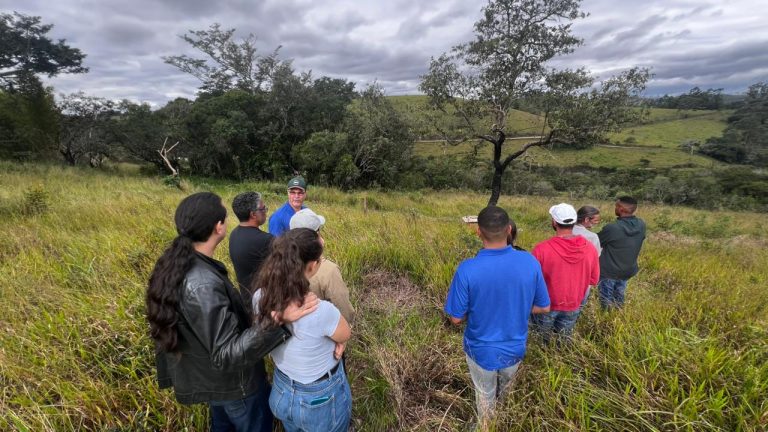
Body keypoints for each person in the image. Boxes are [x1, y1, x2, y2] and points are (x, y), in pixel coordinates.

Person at [145, 192, 318, 432]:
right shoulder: (202, 283)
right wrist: (277, 319)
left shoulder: (186, 264)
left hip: (217, 383)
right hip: (237, 388)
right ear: (218, 227)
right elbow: (226, 354)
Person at [444, 206, 550, 424]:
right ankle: (506, 420)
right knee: (508, 391)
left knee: (484, 393)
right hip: (515, 346)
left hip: (480, 349)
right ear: (509, 230)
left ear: (478, 232)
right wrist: (516, 306)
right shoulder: (530, 262)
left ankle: (486, 426)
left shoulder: (467, 269)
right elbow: (543, 307)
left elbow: (455, 318)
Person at [254, 228, 353, 432]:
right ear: (311, 266)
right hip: (320, 399)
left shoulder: (260, 297)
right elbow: (345, 333)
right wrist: (339, 340)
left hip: (281, 389)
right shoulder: (319, 310)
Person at [531, 203, 599, 342]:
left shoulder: (541, 249)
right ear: (574, 221)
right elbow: (594, 279)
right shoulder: (590, 248)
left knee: (541, 339)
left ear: (554, 222)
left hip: (546, 305)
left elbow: (531, 281)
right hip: (574, 303)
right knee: (563, 339)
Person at [289, 208, 355, 323]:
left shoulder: (279, 262)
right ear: (317, 234)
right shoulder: (329, 270)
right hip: (324, 331)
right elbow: (344, 311)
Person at [597, 196, 647, 310]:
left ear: (621, 209)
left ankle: (606, 320)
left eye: (616, 206)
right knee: (619, 295)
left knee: (605, 299)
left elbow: (596, 242)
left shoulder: (612, 227)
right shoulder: (641, 224)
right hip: (628, 269)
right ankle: (618, 315)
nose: (615, 208)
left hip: (609, 270)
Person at [229, 191, 273, 315]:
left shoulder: (234, 234)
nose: (266, 211)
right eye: (263, 209)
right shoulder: (265, 240)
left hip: (247, 300)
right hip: (264, 304)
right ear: (253, 214)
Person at [573, 205, 601, 308]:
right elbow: (596, 258)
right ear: (586, 219)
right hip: (583, 279)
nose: (597, 222)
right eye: (595, 220)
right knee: (578, 307)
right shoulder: (592, 237)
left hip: (562, 278)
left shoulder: (564, 230)